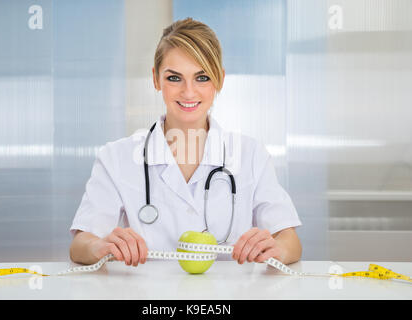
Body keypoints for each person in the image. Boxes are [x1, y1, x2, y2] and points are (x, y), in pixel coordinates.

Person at [69, 17, 302, 267]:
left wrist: (275, 249)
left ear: (219, 80)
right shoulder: (116, 157)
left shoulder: (250, 154)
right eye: (174, 78)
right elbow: (81, 244)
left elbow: (290, 240)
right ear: (156, 79)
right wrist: (99, 246)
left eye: (202, 78)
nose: (188, 92)